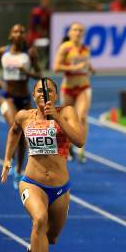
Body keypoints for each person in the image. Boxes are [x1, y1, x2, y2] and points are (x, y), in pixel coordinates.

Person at [1, 78, 84, 252]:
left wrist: (57, 118)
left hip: (59, 187)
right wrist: (7, 159)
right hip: (32, 183)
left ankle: (37, 244)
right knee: (39, 219)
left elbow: (80, 140)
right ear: (33, 94)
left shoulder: (66, 112)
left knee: (52, 237)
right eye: (39, 90)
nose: (43, 94)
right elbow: (13, 131)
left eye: (48, 91)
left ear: (55, 95)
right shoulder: (24, 116)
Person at [0, 24, 41, 188]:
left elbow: (39, 75)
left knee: (24, 137)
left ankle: (19, 170)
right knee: (16, 128)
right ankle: (11, 160)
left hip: (25, 99)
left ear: (25, 35)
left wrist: (27, 72)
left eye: (22, 31)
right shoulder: (2, 52)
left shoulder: (30, 53)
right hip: (8, 97)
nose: (19, 33)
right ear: (10, 35)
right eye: (15, 31)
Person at [52, 22, 93, 163]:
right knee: (67, 119)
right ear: (70, 32)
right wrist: (74, 67)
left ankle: (81, 149)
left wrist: (90, 68)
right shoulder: (65, 48)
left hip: (83, 87)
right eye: (75, 30)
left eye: (81, 30)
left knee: (82, 117)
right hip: (68, 88)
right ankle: (67, 147)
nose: (78, 32)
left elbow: (86, 64)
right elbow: (56, 67)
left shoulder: (86, 49)